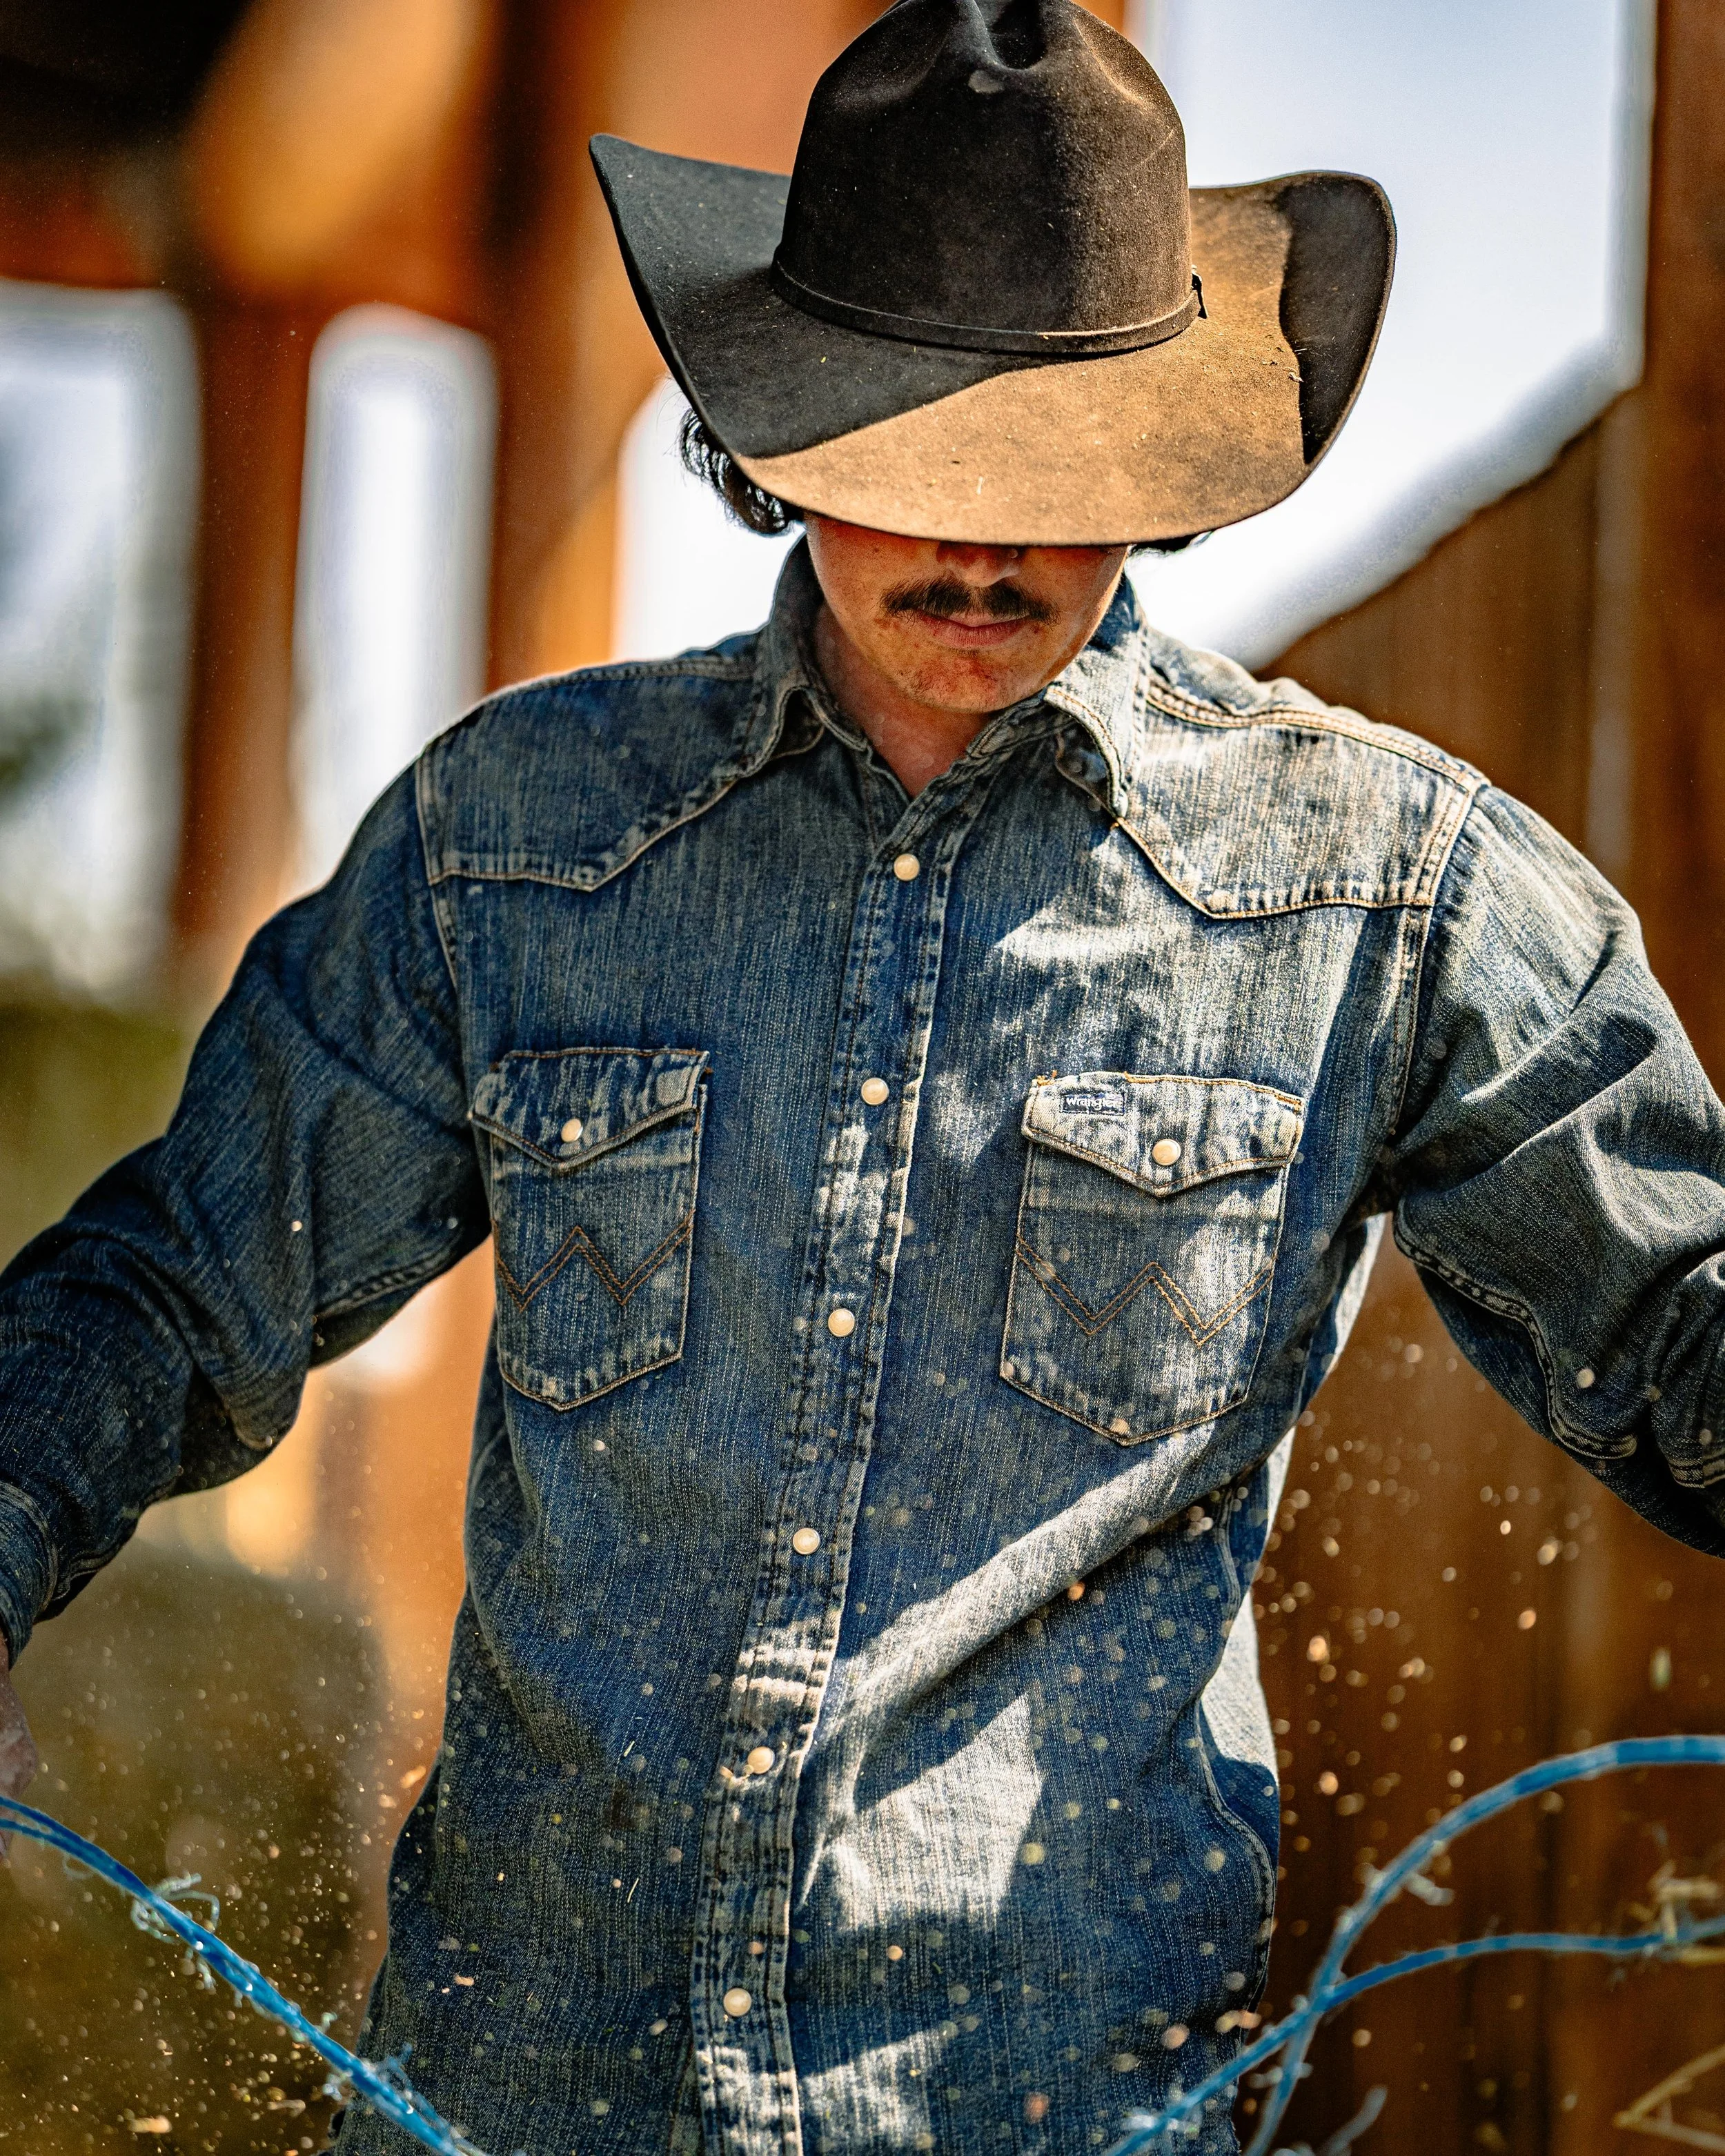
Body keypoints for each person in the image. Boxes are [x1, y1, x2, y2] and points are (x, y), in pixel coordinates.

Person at [1, 3, 1723, 2152]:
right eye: (915, 458)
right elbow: (172, 1291)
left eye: (1060, 479)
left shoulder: (1386, 895)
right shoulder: (509, 845)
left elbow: (1679, 1314)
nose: (984, 549)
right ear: (770, 437)